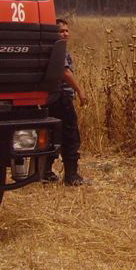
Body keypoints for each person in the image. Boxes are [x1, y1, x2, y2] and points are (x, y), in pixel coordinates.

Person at [44, 18, 89, 186]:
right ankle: (72, 176)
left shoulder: (48, 48)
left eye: (66, 30)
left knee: (51, 134)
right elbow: (65, 72)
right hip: (61, 96)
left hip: (50, 97)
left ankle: (45, 172)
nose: (65, 33)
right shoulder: (58, 50)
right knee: (70, 135)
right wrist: (80, 90)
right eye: (61, 31)